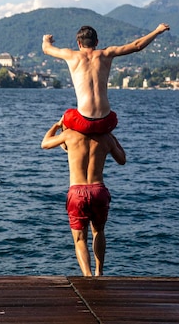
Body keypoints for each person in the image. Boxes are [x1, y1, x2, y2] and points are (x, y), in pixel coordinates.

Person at [42, 23, 170, 134]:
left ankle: (69, 146)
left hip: (84, 120)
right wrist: (157, 31)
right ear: (97, 42)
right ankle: (110, 144)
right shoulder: (107, 54)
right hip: (107, 120)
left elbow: (46, 49)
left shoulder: (71, 55)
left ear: (79, 43)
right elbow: (137, 46)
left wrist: (46, 39)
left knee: (66, 118)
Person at [41, 116, 126, 277]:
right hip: (98, 191)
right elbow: (122, 159)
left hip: (77, 192)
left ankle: (87, 276)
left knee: (80, 239)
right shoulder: (106, 138)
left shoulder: (69, 136)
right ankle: (99, 272)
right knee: (98, 232)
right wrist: (112, 138)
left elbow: (44, 143)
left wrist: (57, 125)